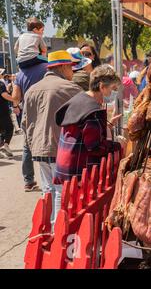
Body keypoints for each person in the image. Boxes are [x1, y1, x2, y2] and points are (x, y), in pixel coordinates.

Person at [22, 50, 82, 224]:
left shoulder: (32, 90)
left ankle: (46, 228)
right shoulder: (71, 89)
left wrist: (32, 144)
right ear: (63, 67)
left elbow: (25, 123)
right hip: (60, 147)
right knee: (60, 191)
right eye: (71, 66)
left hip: (39, 148)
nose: (73, 70)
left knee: (48, 189)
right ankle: (57, 231)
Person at [54, 65, 123, 186]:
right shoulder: (93, 111)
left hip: (65, 165)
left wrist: (108, 126)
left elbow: (81, 132)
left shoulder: (79, 99)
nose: (112, 93)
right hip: (80, 170)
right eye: (112, 89)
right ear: (102, 86)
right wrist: (117, 145)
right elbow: (94, 147)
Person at [12, 61, 48, 192]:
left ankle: (29, 181)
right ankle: (51, 179)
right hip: (46, 111)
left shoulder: (20, 74)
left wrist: (16, 106)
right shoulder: (46, 67)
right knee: (50, 142)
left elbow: (15, 97)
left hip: (28, 115)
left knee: (27, 147)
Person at [0, 75, 15, 159]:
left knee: (2, 130)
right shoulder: (1, 84)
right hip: (2, 111)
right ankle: (5, 145)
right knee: (9, 128)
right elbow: (4, 95)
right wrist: (14, 99)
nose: (2, 75)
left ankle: (3, 146)